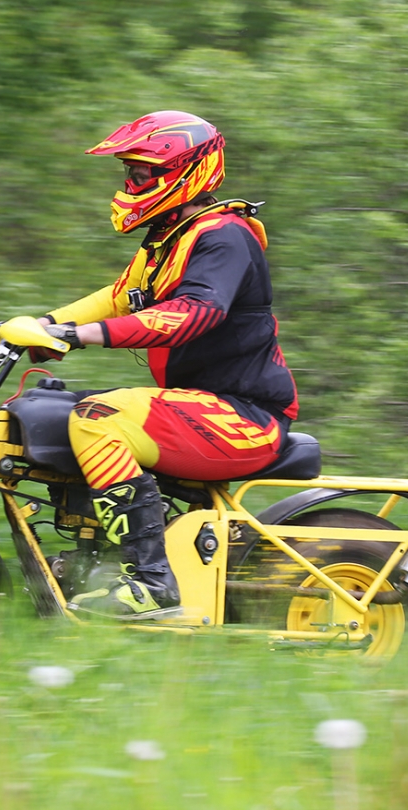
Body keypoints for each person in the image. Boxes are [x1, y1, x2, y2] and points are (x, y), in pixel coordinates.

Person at [36, 110, 299, 618]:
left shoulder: (224, 237)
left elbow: (194, 314)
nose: (130, 183)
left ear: (185, 172)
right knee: (52, 406)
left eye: (141, 173)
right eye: (128, 173)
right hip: (202, 407)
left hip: (243, 416)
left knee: (97, 420)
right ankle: (97, 560)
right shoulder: (167, 239)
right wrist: (42, 324)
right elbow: (117, 298)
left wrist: (77, 336)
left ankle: (152, 583)